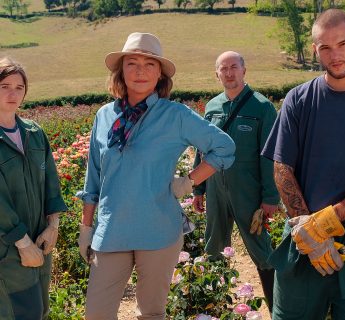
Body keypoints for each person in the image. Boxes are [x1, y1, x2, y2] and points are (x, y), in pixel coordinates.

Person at [77, 32, 235, 320]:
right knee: (96, 314)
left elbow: (224, 147)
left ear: (160, 74)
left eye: (149, 64)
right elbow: (93, 179)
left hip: (159, 230)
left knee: (151, 313)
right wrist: (86, 228)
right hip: (112, 231)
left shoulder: (174, 115)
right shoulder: (104, 116)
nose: (140, 71)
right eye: (132, 63)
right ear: (120, 71)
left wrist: (188, 182)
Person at [262, 9, 345, 320]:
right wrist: (309, 232)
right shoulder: (298, 99)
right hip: (302, 240)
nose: (335, 55)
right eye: (325, 48)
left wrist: (324, 223)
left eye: (342, 44)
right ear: (315, 50)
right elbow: (282, 168)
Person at [192, 51, 280, 312]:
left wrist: (270, 198)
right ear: (216, 74)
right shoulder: (212, 108)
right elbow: (202, 150)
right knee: (214, 246)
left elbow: (270, 156)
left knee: (261, 250)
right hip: (216, 188)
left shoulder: (262, 107)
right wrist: (198, 188)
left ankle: (278, 309)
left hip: (248, 190)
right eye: (223, 69)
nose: (229, 73)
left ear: (244, 70)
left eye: (234, 67)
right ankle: (215, 309)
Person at [0, 57, 67, 320]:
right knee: (16, 312)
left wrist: (53, 226)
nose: (13, 93)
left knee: (39, 310)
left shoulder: (34, 133)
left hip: (39, 242)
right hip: (8, 249)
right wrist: (21, 241)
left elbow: (51, 182)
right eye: (5, 85)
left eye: (19, 87)